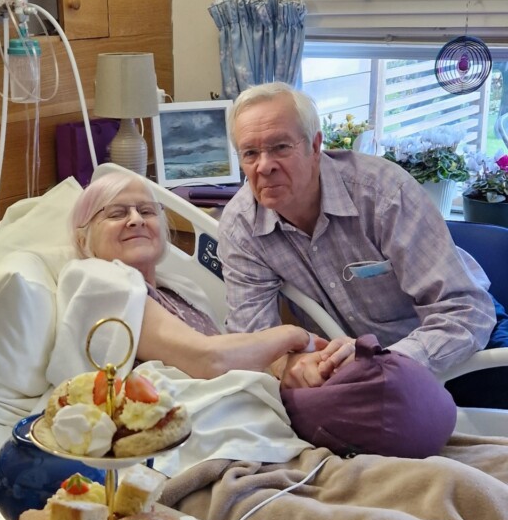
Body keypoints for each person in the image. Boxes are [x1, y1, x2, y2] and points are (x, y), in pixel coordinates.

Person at [217, 81, 507, 406]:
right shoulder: (241, 226)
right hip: (352, 369)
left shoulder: (383, 194)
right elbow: (253, 337)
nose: (264, 166)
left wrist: (383, 363)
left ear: (315, 146)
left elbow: (467, 311)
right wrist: (290, 365)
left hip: (462, 341)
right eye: (250, 153)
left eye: (281, 147)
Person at [69, 170, 341, 380]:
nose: (136, 219)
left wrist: (296, 367)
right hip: (189, 437)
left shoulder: (180, 290)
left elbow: (232, 357)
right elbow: (209, 359)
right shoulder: (99, 282)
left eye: (146, 211)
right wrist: (292, 335)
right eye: (116, 213)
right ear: (83, 240)